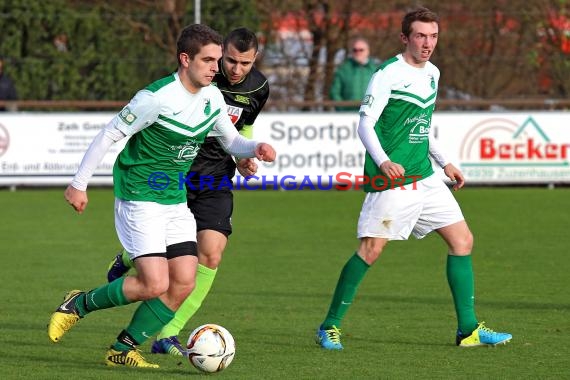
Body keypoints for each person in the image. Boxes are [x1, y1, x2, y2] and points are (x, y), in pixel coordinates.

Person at [47, 24, 276, 368]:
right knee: (154, 283)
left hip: (174, 198)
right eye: (209, 60)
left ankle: (122, 350)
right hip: (140, 195)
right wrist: (78, 184)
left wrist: (254, 147)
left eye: (218, 60)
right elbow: (110, 134)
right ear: (185, 59)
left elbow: (231, 141)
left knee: (183, 282)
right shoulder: (155, 98)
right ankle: (77, 304)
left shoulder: (212, 97)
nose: (217, 68)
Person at [315, 7, 512, 350]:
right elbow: (365, 124)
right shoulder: (387, 74)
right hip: (392, 181)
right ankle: (328, 326)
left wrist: (445, 161)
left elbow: (421, 127)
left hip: (426, 176)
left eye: (433, 36)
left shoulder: (433, 73)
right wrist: (384, 160)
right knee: (371, 250)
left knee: (463, 241)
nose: (427, 43)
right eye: (420, 35)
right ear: (405, 38)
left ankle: (468, 330)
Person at [105, 27, 270, 356]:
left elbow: (242, 128)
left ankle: (169, 333)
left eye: (245, 63)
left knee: (211, 254)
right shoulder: (205, 74)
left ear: (256, 60)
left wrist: (243, 158)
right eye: (230, 62)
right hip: (177, 174)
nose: (235, 70)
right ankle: (128, 256)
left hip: (216, 177)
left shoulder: (260, 87)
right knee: (169, 258)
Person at [329, 37, 377, 111]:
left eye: (361, 50)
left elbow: (383, 92)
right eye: (355, 50)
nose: (358, 52)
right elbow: (335, 92)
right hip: (348, 116)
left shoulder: (376, 70)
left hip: (370, 115)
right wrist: (342, 109)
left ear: (368, 51)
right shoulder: (343, 69)